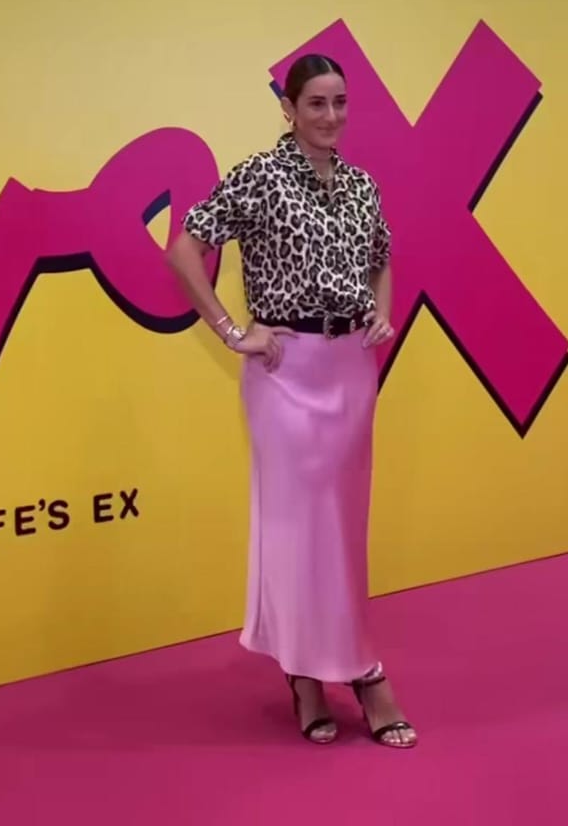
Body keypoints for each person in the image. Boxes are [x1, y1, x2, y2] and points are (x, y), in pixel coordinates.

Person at [167, 54, 417, 749]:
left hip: (350, 372)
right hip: (285, 375)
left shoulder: (362, 185)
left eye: (340, 102)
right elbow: (184, 248)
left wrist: (380, 313)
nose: (331, 116)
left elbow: (381, 255)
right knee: (300, 528)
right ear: (288, 108)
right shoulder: (260, 175)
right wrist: (231, 331)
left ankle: (309, 672)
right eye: (316, 104)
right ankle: (360, 673)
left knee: (342, 529)